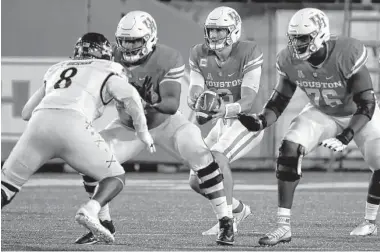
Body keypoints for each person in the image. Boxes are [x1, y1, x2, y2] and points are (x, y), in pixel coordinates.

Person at [75, 11, 234, 246]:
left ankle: (226, 221)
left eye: (135, 41)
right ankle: (103, 223)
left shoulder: (168, 57)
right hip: (129, 126)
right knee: (88, 159)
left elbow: (170, 104)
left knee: (200, 154)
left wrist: (146, 102)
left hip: (165, 123)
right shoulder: (112, 56)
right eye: (125, 40)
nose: (128, 47)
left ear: (149, 38)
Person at [237, 8, 380, 246]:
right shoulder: (288, 59)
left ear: (321, 34)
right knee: (289, 148)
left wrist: (347, 135)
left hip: (358, 114)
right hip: (323, 112)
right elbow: (279, 100)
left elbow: (367, 103)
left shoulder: (346, 52)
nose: (297, 43)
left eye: (303, 38)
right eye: (294, 38)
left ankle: (370, 221)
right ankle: (283, 226)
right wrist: (261, 121)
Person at [1, 32, 156, 243]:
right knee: (115, 177)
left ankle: (104, 222)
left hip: (39, 124)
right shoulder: (110, 68)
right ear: (105, 54)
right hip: (73, 123)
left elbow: (26, 113)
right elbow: (131, 97)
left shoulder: (58, 68)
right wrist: (143, 132)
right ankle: (91, 210)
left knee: (6, 186)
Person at [187, 6, 264, 235]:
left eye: (220, 31)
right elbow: (195, 89)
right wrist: (196, 100)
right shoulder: (198, 53)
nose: (214, 36)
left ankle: (227, 221)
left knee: (218, 157)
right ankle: (238, 209)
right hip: (223, 122)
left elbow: (249, 100)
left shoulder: (249, 51)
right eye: (211, 30)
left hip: (248, 120)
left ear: (234, 31)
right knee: (196, 179)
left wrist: (224, 110)